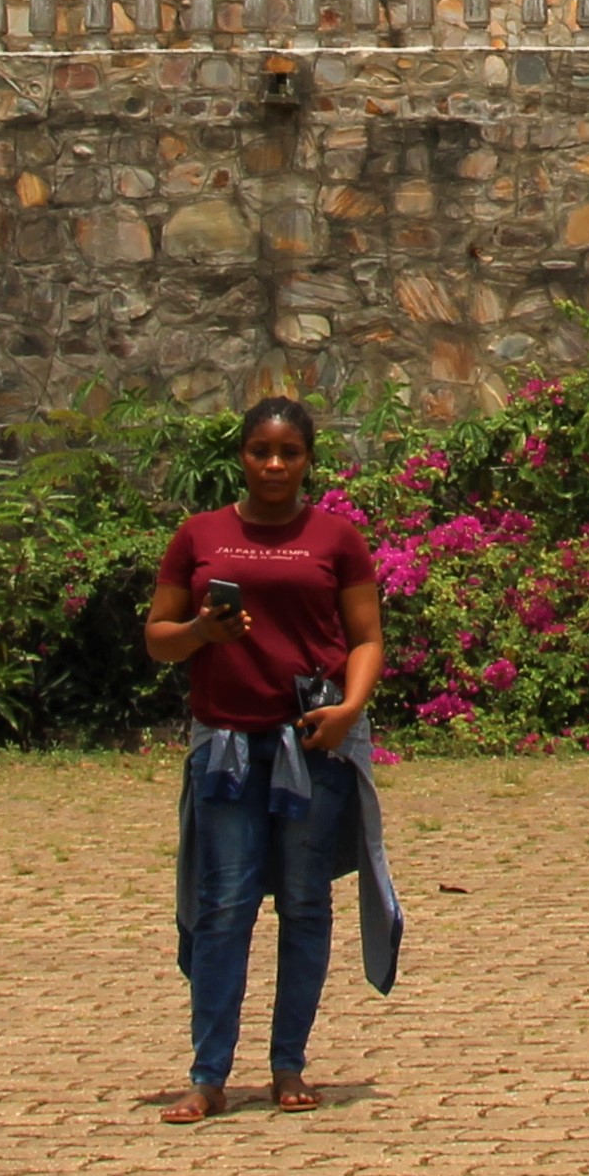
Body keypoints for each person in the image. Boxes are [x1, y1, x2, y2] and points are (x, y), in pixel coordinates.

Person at [145, 394, 394, 1120]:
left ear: (309, 459)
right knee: (223, 905)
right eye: (261, 451)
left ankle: (289, 1065)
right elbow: (159, 636)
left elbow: (367, 637)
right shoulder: (200, 535)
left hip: (309, 742)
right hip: (225, 744)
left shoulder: (336, 537)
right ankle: (209, 1073)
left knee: (306, 902)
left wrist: (348, 708)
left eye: (289, 452)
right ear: (243, 456)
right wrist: (200, 631)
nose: (275, 464)